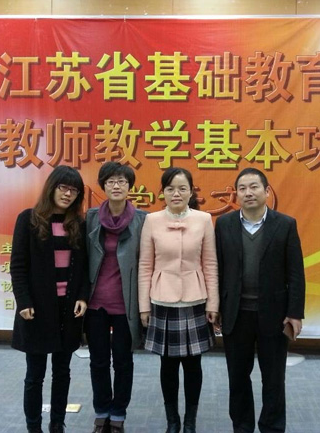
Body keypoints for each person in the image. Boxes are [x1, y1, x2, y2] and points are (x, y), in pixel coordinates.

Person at [215, 168, 306, 433]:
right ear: (236, 194)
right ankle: (242, 427)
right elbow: (218, 268)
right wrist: (216, 307)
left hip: (274, 315)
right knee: (238, 378)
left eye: (254, 187)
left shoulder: (285, 225)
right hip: (236, 313)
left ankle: (272, 427)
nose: (248, 193)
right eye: (242, 188)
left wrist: (295, 313)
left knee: (274, 379)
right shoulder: (224, 224)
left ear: (266, 191)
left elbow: (296, 273)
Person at [138, 167, 219, 433]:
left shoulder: (204, 219)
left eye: (182, 188)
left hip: (195, 300)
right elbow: (145, 266)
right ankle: (172, 420)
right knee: (168, 365)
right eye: (170, 188)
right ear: (162, 192)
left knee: (194, 365)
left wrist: (213, 303)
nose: (176, 193)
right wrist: (144, 306)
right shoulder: (152, 220)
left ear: (191, 191)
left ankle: (190, 421)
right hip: (162, 301)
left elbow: (210, 264)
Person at [10, 165, 89, 433]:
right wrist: (23, 301)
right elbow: (18, 265)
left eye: (74, 190)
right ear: (51, 188)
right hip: (37, 309)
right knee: (35, 375)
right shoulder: (28, 219)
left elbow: (85, 267)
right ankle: (34, 427)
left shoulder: (78, 224)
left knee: (62, 372)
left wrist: (82, 296)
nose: (68, 194)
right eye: (63, 188)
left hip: (67, 310)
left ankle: (57, 423)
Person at [84, 162, 147, 433]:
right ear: (104, 186)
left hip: (126, 304)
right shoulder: (91, 217)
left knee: (123, 361)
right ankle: (101, 412)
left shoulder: (142, 220)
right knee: (98, 361)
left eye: (122, 181)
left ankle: (118, 414)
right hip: (95, 303)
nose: (116, 186)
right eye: (110, 181)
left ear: (130, 186)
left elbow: (147, 262)